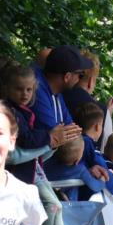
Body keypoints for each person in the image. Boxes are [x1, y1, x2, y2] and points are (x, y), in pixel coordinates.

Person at [0, 64, 89, 225]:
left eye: (29, 90)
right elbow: (27, 140)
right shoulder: (11, 113)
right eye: (19, 89)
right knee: (51, 205)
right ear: (8, 89)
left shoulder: (26, 112)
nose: (24, 94)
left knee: (56, 205)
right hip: (22, 172)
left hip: (34, 167)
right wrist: (50, 137)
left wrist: (53, 140)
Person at [32, 45, 87, 180]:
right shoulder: (37, 89)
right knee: (84, 173)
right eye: (80, 75)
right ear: (67, 76)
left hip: (42, 161)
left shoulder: (55, 91)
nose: (80, 80)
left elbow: (71, 128)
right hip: (33, 165)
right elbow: (59, 136)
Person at [72, 102, 113, 200]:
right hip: (86, 197)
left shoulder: (76, 141)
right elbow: (104, 171)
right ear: (97, 126)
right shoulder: (88, 144)